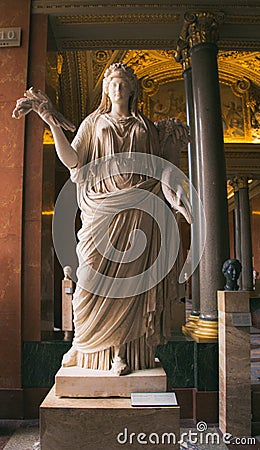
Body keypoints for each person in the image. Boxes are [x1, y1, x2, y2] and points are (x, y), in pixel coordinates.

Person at [13, 62, 191, 375]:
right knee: (90, 281)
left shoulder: (145, 126)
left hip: (139, 212)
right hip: (101, 210)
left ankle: (122, 353)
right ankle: (82, 343)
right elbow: (73, 160)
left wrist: (175, 195)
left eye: (123, 83)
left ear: (133, 89)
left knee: (130, 287)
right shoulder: (93, 123)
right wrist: (51, 123)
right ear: (106, 90)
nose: (118, 88)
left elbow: (160, 167)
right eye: (112, 84)